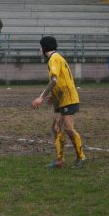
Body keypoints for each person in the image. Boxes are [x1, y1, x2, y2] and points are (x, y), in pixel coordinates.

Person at [31, 36, 86, 168]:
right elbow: (60, 80)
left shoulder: (53, 58)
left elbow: (54, 80)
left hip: (68, 98)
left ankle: (81, 157)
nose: (39, 49)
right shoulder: (56, 58)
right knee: (56, 128)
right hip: (60, 98)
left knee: (68, 128)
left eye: (40, 46)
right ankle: (60, 160)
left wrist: (41, 97)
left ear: (45, 47)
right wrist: (53, 95)